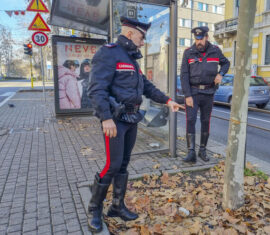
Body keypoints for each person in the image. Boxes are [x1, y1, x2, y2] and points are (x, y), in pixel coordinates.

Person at [87, 16, 184, 233]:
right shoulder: (108, 53)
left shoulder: (131, 59)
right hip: (115, 121)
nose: (143, 42)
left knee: (123, 164)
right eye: (142, 37)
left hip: (131, 119)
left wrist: (168, 101)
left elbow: (146, 86)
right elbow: (96, 89)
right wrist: (106, 118)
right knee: (112, 166)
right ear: (130, 33)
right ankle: (94, 209)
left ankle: (116, 207)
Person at [180, 26, 230, 163]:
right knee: (190, 120)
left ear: (207, 37)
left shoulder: (215, 51)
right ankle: (191, 152)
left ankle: (202, 150)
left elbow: (226, 63)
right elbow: (183, 75)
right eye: (196, 39)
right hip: (193, 92)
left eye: (201, 39)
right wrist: (187, 95)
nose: (198, 42)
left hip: (209, 92)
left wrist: (221, 74)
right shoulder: (188, 52)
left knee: (205, 121)